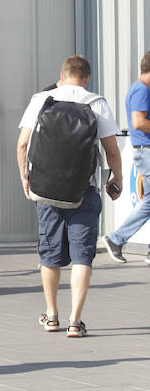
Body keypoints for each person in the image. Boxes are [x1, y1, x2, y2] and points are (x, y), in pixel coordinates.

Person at [16, 55, 122, 338]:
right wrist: (117, 179)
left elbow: (23, 143)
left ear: (61, 76)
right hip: (84, 191)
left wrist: (26, 178)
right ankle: (75, 321)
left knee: (49, 255)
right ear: (86, 78)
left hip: (47, 192)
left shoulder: (42, 99)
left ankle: (52, 316)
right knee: (82, 257)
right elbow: (111, 150)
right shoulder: (96, 102)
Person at [103, 51, 150, 265]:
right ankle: (116, 238)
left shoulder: (138, 88)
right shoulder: (141, 90)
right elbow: (139, 122)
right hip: (146, 149)